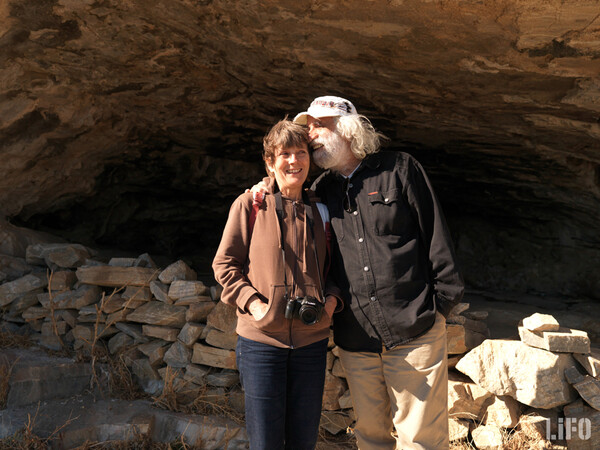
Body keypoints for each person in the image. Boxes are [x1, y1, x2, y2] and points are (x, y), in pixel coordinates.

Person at [290, 96, 464, 449]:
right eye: (309, 128)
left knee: (421, 440)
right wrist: (263, 188)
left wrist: (440, 308)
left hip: (414, 328)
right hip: (356, 338)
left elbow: (436, 236)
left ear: (348, 128)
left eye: (320, 125)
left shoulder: (399, 169)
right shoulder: (321, 191)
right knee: (370, 438)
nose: (311, 135)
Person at [212, 119, 341, 450]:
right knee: (266, 441)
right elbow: (224, 264)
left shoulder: (322, 211)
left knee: (303, 440)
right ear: (269, 161)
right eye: (285, 153)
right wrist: (256, 306)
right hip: (261, 342)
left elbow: (337, 271)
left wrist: (329, 305)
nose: (294, 161)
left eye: (301, 153)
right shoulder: (251, 205)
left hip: (311, 343)